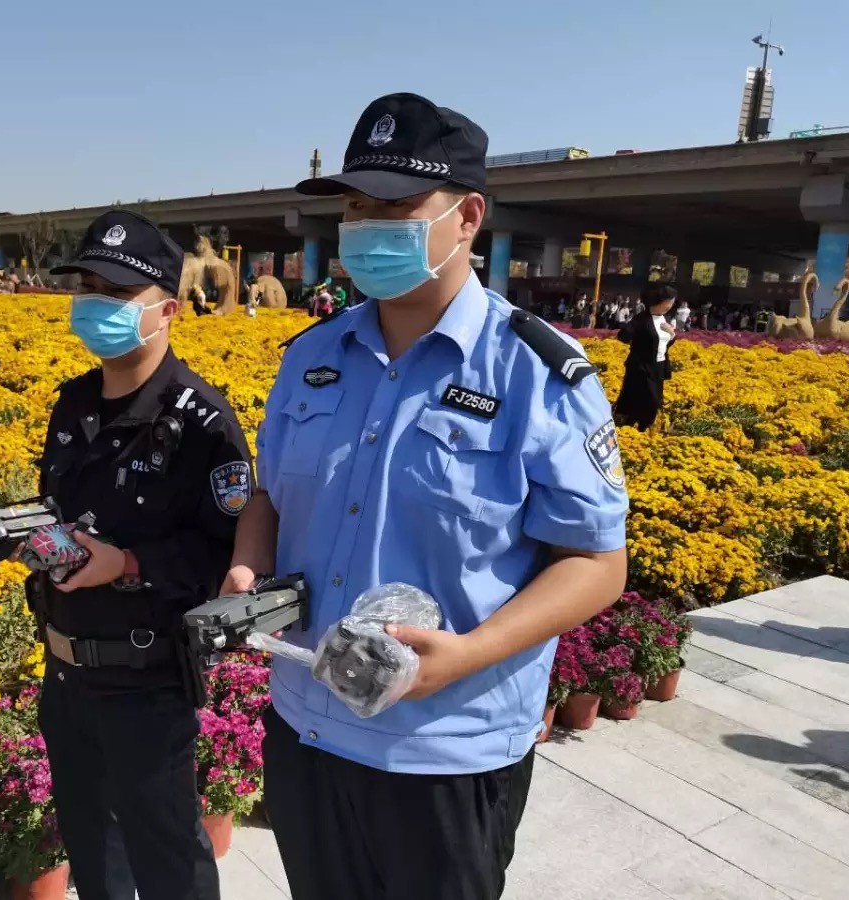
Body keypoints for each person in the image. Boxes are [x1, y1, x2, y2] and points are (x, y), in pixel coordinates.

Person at [223, 92, 628, 900]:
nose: (366, 226)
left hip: (445, 750)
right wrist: (246, 565)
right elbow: (269, 494)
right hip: (306, 727)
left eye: (394, 206)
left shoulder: (535, 373)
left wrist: (471, 654)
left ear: (467, 216)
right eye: (356, 207)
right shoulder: (310, 358)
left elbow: (596, 562)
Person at [37, 210, 250, 900]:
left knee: (167, 865)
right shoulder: (74, 404)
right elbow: (60, 511)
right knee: (92, 860)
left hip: (145, 684)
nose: (97, 304)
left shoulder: (202, 423)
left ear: (167, 310)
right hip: (66, 679)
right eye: (89, 287)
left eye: (118, 292)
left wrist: (128, 564)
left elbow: (225, 552)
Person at [614, 284, 677, 432]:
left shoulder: (664, 319)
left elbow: (664, 342)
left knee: (653, 401)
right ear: (659, 301)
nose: (671, 305)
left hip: (658, 366)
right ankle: (632, 428)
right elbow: (623, 335)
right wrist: (635, 339)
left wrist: (672, 334)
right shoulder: (641, 319)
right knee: (643, 400)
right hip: (641, 368)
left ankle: (644, 428)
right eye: (669, 301)